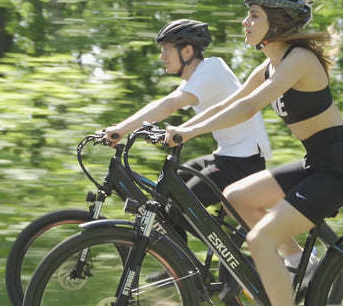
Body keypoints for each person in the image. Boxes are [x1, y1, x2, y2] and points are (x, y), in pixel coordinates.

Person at [165, 0, 343, 306]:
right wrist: (180, 128)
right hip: (317, 162)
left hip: (341, 167)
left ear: (277, 23)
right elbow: (230, 101)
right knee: (236, 195)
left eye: (254, 15)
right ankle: (301, 262)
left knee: (259, 241)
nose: (245, 22)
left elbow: (247, 107)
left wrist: (188, 133)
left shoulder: (299, 60)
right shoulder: (272, 63)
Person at [103, 19, 272, 234]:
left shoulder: (211, 69)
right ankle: (176, 266)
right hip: (227, 156)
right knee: (166, 193)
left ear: (188, 50)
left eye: (167, 49)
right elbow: (168, 103)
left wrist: (121, 129)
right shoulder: (196, 78)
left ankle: (225, 257)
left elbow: (169, 104)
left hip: (243, 162)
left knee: (180, 207)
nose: (161, 56)